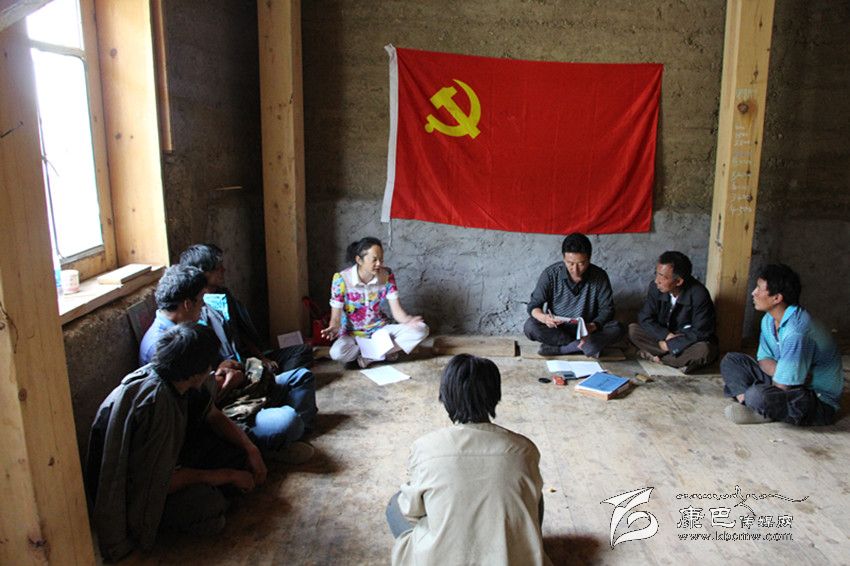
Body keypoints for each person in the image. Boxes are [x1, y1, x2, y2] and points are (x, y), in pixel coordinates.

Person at [86, 323, 267, 561]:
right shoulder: (157, 404)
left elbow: (213, 415)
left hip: (171, 465)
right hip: (140, 492)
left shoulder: (180, 379)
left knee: (243, 449)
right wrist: (229, 475)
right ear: (196, 371)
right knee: (210, 507)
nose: (212, 370)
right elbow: (162, 480)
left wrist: (251, 449)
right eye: (208, 365)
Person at [386, 354, 551, 566]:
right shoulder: (525, 449)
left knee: (395, 504)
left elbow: (411, 510)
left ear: (445, 396)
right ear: (495, 396)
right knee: (533, 495)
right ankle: (521, 551)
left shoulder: (425, 447)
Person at [139, 265, 316, 455]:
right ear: (187, 304)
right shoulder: (164, 346)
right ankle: (274, 444)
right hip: (218, 412)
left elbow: (204, 376)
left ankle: (286, 441)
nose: (203, 307)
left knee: (301, 377)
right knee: (288, 420)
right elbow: (194, 409)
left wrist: (223, 368)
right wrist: (226, 384)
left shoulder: (186, 327)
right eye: (201, 301)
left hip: (229, 393)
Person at [721, 264, 843, 425]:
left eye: (759, 289)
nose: (753, 293)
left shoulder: (796, 330)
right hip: (786, 382)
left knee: (757, 394)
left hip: (815, 398)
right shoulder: (768, 320)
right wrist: (784, 372)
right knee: (731, 361)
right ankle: (751, 404)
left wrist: (785, 377)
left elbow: (784, 386)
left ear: (777, 298)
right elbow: (763, 359)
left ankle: (759, 407)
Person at [179, 243, 313, 373]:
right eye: (217, 267)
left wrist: (261, 358)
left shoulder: (223, 296)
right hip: (231, 368)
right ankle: (271, 380)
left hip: (247, 360)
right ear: (202, 272)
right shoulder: (196, 308)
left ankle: (271, 379)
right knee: (287, 374)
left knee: (302, 351)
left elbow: (241, 333)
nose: (223, 270)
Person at [321, 237, 429, 368]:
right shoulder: (341, 279)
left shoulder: (387, 276)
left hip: (380, 330)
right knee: (336, 353)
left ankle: (368, 358)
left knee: (421, 329)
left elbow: (397, 312)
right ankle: (385, 352)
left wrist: (409, 320)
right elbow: (336, 318)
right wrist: (334, 327)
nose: (379, 264)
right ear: (359, 260)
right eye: (374, 260)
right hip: (352, 335)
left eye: (381, 260)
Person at [523, 232, 624, 357]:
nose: (575, 270)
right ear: (563, 258)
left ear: (589, 259)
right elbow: (534, 305)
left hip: (587, 330)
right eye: (570, 263)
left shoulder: (600, 276)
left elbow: (607, 310)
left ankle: (562, 349)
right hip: (558, 329)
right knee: (530, 326)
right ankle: (584, 346)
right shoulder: (551, 274)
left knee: (617, 328)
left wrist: (593, 326)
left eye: (581, 264)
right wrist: (545, 318)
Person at [628, 251, 718, 373]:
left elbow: (701, 332)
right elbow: (645, 318)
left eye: (662, 277)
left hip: (685, 342)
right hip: (663, 338)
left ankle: (656, 357)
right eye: (656, 274)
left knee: (704, 350)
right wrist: (666, 336)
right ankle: (676, 361)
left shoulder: (699, 294)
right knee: (633, 330)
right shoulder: (655, 287)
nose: (657, 280)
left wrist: (671, 344)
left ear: (678, 281)